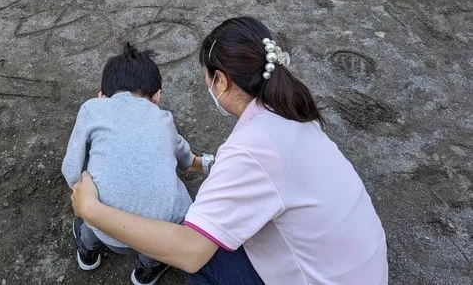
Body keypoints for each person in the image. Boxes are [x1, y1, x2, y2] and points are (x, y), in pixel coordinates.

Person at [71, 17, 389, 284]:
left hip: (322, 278)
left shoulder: (250, 150)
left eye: (207, 79)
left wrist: (91, 210)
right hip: (363, 269)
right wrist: (203, 163)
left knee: (201, 258)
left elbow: (191, 252)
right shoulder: (290, 115)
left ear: (221, 81)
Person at [62, 42, 208, 285]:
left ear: (102, 95)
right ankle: (147, 268)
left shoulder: (92, 109)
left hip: (102, 226)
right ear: (157, 97)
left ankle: (88, 250)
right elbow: (185, 158)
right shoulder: (164, 119)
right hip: (158, 237)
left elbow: (71, 168)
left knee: (90, 200)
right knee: (180, 201)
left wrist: (83, 184)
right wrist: (196, 162)